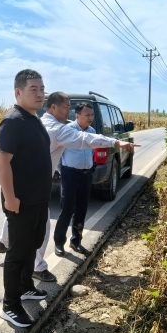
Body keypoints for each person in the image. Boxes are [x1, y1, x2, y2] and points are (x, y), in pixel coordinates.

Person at [0, 92, 138, 267]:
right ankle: (37, 266)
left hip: (21, 180)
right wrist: (117, 143)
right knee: (42, 227)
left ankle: (5, 242)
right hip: (37, 184)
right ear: (53, 107)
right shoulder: (59, 129)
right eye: (66, 108)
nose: (69, 112)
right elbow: (84, 139)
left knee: (17, 215)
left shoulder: (39, 122)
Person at [0, 70, 52, 328]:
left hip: (38, 200)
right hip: (21, 202)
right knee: (17, 253)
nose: (40, 94)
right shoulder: (13, 121)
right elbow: (2, 161)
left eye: (42, 89)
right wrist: (10, 198)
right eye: (33, 89)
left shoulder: (34, 119)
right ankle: (10, 305)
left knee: (33, 245)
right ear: (18, 92)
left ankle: (26, 286)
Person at [53, 102, 100, 255]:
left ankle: (76, 241)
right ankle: (59, 243)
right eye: (87, 115)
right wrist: (62, 171)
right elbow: (58, 153)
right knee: (67, 210)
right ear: (77, 115)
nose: (90, 118)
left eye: (92, 115)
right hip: (70, 175)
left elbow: (91, 151)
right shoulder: (68, 130)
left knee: (81, 210)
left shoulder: (92, 131)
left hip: (86, 175)